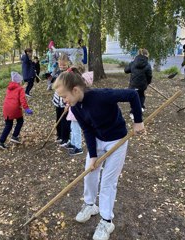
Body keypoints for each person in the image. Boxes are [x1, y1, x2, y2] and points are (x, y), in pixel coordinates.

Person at [53, 70, 145, 240]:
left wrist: (138, 121)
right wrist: (93, 155)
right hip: (98, 140)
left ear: (75, 90)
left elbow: (132, 94)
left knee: (108, 181)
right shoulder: (75, 106)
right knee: (89, 172)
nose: (63, 101)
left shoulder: (101, 96)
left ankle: (106, 220)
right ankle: (90, 205)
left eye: (64, 96)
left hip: (117, 140)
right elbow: (87, 129)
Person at [0, 72, 33, 149]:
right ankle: (14, 136)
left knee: (8, 125)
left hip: (6, 108)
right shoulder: (20, 89)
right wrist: (26, 108)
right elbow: (23, 100)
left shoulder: (9, 88)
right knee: (20, 121)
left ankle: (1, 141)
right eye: (21, 81)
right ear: (19, 81)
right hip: (14, 108)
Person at [66, 64, 93, 156]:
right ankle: (73, 143)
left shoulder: (80, 85)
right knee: (72, 128)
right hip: (73, 109)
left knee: (76, 129)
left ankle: (78, 147)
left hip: (77, 110)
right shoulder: (77, 83)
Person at [124, 48, 152, 120]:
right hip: (142, 86)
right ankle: (139, 108)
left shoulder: (133, 63)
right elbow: (149, 76)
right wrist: (148, 82)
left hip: (133, 85)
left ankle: (136, 110)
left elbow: (126, 70)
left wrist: (130, 63)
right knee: (141, 96)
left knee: (134, 98)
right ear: (146, 55)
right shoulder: (148, 65)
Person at [52, 54, 71, 147]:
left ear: (68, 64)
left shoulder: (69, 74)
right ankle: (59, 135)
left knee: (65, 121)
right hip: (57, 101)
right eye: (60, 64)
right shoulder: (58, 72)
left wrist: (68, 103)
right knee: (58, 119)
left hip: (65, 102)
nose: (62, 66)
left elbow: (70, 89)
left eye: (64, 65)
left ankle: (66, 138)